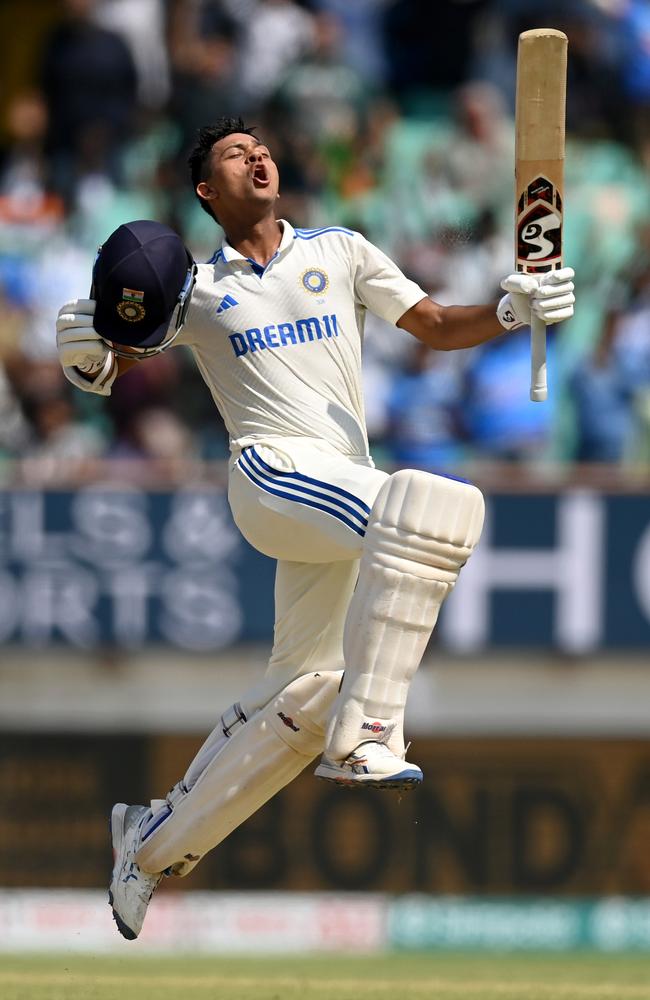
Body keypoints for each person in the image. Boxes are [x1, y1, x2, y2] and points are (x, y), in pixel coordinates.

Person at [55, 116, 575, 940]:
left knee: (302, 697)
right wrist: (88, 352)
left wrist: (512, 311)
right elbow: (120, 348)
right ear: (206, 190)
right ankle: (370, 735)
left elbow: (436, 327)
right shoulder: (194, 286)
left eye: (261, 146)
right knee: (431, 504)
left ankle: (148, 846)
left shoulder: (341, 250)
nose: (258, 155)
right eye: (235, 153)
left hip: (337, 484)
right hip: (269, 473)